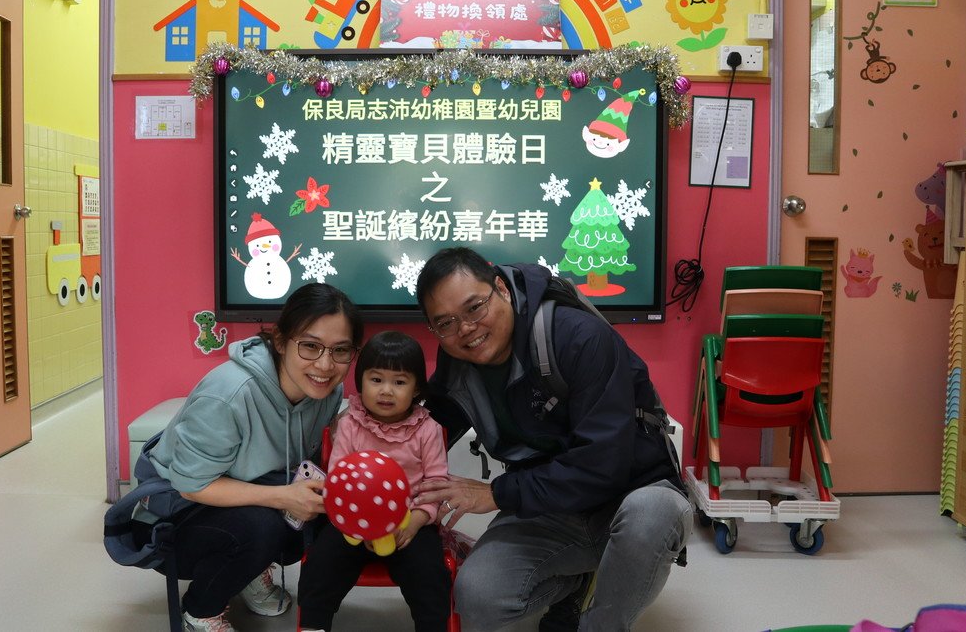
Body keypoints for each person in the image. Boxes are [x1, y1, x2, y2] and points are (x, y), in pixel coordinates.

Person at [410, 247, 691, 632]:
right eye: (446, 323)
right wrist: (374, 466)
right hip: (551, 508)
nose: (466, 329)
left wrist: (496, 493)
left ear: (501, 288)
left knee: (652, 516)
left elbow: (603, 465)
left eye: (474, 308)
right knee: (477, 596)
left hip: (630, 492)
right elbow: (427, 431)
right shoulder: (458, 362)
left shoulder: (578, 336)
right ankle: (575, 584)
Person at [141, 283, 364, 632]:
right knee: (265, 528)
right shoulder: (229, 395)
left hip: (247, 488)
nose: (325, 364)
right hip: (174, 509)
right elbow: (190, 484)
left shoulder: (328, 392)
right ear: (280, 341)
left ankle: (249, 570)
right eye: (310, 346)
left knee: (317, 514)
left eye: (340, 350)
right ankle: (200, 611)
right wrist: (283, 497)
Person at [298, 331, 452, 632]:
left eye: (399, 382)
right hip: (353, 522)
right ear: (361, 382)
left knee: (429, 574)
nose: (386, 391)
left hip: (409, 522)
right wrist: (361, 525)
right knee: (321, 562)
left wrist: (417, 520)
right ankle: (313, 625)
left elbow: (436, 483)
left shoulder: (427, 429)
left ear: (416, 388)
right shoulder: (350, 424)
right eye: (376, 379)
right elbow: (339, 479)